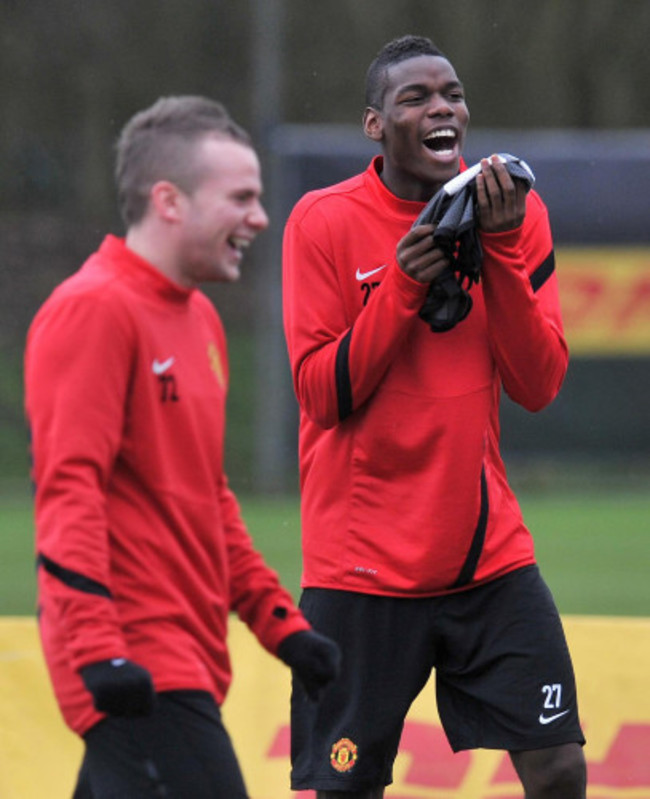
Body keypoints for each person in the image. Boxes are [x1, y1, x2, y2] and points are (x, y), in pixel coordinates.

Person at [282, 35, 587, 799]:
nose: (441, 107)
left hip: (488, 557)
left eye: (450, 93)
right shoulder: (322, 220)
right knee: (347, 787)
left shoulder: (517, 213)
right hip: (361, 569)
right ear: (375, 125)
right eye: (415, 98)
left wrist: (505, 245)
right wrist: (404, 285)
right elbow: (323, 393)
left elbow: (539, 382)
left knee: (558, 768)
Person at [24, 95, 340, 799]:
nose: (260, 218)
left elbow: (208, 496)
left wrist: (281, 627)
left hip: (187, 655)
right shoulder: (93, 310)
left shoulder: (199, 318)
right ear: (169, 200)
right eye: (242, 197)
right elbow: (68, 494)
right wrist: (101, 649)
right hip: (133, 657)